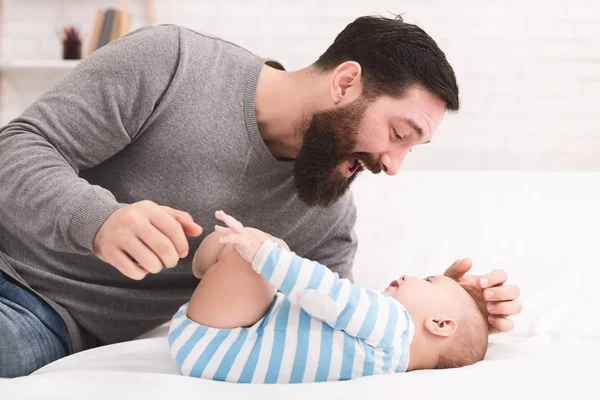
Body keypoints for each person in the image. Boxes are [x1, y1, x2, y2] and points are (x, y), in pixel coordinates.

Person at [0, 15, 521, 378]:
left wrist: (444, 318)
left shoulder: (326, 215)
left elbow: (331, 330)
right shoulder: (173, 63)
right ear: (345, 83)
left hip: (42, 316)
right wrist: (97, 220)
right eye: (399, 134)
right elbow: (17, 146)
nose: (392, 165)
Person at [169, 211, 488, 382]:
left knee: (256, 248)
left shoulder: (395, 324)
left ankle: (204, 260)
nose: (409, 275)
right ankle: (213, 262)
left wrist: (265, 256)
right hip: (218, 347)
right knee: (262, 254)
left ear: (440, 324)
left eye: (430, 280)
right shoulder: (389, 364)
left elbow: (327, 292)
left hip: (219, 341)